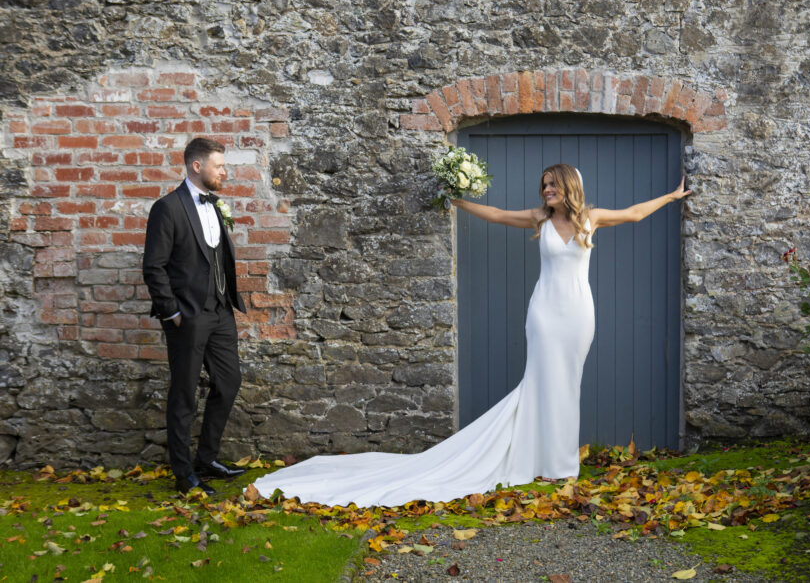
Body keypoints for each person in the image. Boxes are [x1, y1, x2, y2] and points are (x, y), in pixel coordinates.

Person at [252, 164, 690, 506]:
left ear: (569, 185)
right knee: (539, 383)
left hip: (579, 315)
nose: (546, 191)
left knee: (568, 386)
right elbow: (498, 214)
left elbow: (633, 214)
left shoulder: (591, 218)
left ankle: (559, 463)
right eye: (544, 186)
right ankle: (543, 462)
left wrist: (671, 197)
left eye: (553, 185)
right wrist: (459, 202)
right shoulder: (538, 217)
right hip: (543, 314)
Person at [142, 137, 247, 495]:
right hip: (185, 316)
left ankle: (207, 458)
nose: (224, 172)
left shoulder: (216, 205)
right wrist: (171, 312)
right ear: (196, 166)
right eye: (219, 166)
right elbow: (153, 267)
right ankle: (184, 474)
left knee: (229, 381)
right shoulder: (167, 208)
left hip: (220, 312)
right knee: (184, 394)